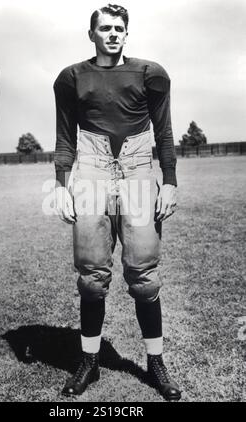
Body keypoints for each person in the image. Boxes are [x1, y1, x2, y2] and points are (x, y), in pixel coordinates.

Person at [53, 4, 181, 401]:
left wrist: (170, 181)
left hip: (138, 169)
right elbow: (64, 135)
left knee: (144, 277)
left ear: (127, 33)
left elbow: (164, 131)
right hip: (90, 168)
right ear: (91, 33)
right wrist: (61, 184)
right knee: (91, 277)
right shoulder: (71, 77)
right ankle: (89, 361)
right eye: (105, 28)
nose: (112, 33)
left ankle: (155, 361)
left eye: (119, 28)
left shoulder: (151, 74)